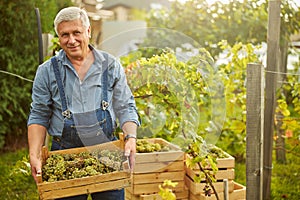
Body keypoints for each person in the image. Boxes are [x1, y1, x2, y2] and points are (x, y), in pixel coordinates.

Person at [27, 6, 140, 200]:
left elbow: (125, 105)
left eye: (76, 32)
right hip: (64, 155)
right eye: (64, 35)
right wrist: (34, 154)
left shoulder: (110, 65)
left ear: (88, 31)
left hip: (107, 152)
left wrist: (131, 137)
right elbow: (39, 114)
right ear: (58, 37)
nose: (71, 40)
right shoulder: (46, 71)